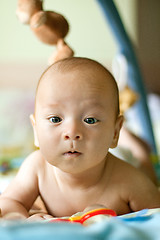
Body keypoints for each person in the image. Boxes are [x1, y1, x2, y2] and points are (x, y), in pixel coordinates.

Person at [0, 57, 160, 220]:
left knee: (144, 163)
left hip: (121, 156)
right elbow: (9, 202)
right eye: (56, 119)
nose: (72, 132)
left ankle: (136, 146)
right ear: (36, 131)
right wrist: (19, 219)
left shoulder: (131, 181)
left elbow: (156, 216)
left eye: (90, 120)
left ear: (114, 133)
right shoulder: (37, 168)